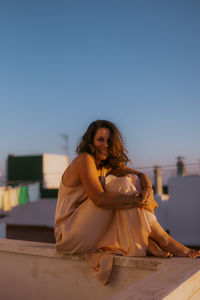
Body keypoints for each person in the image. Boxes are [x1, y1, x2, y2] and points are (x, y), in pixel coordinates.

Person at [54, 120, 200, 284]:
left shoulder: (105, 166)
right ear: (90, 141)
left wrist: (148, 192)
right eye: (100, 139)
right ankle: (163, 240)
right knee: (119, 186)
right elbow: (99, 199)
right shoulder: (84, 159)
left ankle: (146, 241)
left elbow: (140, 175)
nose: (105, 145)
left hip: (86, 228)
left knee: (130, 180)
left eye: (109, 141)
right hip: (68, 233)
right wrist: (139, 202)